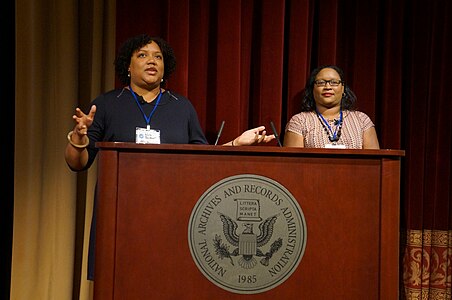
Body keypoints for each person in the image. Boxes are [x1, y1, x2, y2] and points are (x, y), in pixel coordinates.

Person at [64, 34, 274, 280]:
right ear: (128, 67)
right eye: (142, 55)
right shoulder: (107, 104)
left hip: (171, 214)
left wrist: (236, 143)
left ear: (165, 68)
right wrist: (79, 137)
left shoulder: (181, 107)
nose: (151, 61)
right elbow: (76, 163)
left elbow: (202, 160)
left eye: (158, 57)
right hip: (120, 215)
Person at [283, 65, 380, 149]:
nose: (328, 87)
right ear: (312, 89)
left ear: (343, 89)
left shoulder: (362, 120)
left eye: (334, 82)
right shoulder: (299, 121)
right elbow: (293, 165)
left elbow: (374, 163)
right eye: (321, 82)